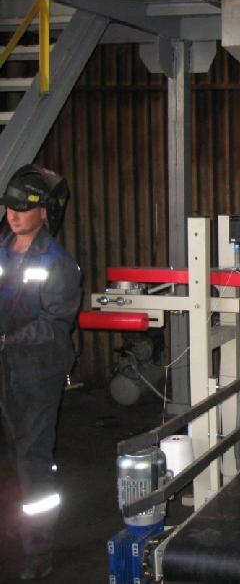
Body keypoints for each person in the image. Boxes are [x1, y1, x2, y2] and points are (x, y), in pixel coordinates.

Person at [0, 165, 81, 580]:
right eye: (10, 207)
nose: (14, 215)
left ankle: (38, 550)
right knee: (12, 453)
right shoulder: (1, 250)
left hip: (37, 370)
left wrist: (8, 338)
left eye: (24, 208)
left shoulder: (57, 263)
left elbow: (55, 324)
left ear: (45, 212)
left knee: (32, 457)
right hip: (6, 366)